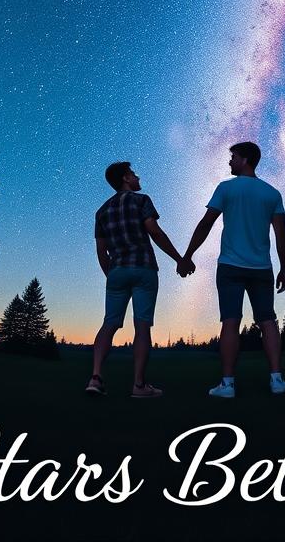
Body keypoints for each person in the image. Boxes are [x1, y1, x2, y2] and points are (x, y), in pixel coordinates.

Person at [182, 141, 285, 398]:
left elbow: (206, 224)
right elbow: (281, 236)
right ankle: (277, 380)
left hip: (230, 266)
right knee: (268, 322)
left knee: (230, 322)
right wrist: (284, 268)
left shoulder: (226, 188)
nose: (229, 161)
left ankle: (227, 385)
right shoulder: (272, 193)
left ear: (246, 160)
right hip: (262, 268)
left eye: (233, 157)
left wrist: (188, 255)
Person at [86, 161, 194, 398]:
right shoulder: (141, 200)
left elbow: (101, 251)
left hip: (116, 272)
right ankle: (139, 385)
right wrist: (179, 259)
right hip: (143, 269)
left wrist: (111, 275)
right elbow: (154, 231)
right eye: (134, 174)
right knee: (142, 325)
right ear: (125, 178)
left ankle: (95, 378)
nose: (137, 177)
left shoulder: (102, 211)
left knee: (109, 323)